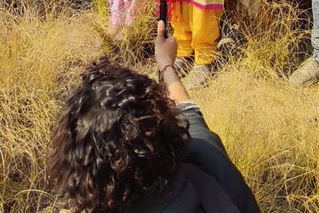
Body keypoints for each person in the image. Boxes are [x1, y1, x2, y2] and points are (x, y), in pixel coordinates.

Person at [44, 21, 259, 213]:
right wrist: (166, 64)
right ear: (161, 125)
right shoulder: (203, 153)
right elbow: (189, 109)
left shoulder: (100, 199)